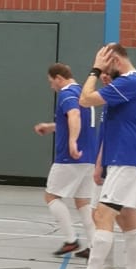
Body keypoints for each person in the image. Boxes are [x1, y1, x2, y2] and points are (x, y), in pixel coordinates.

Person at [58, 41, 136, 269]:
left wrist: (94, 70)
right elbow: (111, 128)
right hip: (127, 159)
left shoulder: (131, 82)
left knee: (102, 215)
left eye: (105, 65)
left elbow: (85, 99)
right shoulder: (125, 87)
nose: (102, 73)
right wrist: (100, 164)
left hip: (128, 159)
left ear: (115, 61)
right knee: (128, 219)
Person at [34, 63, 100, 258]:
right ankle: (95, 245)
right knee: (83, 201)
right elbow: (74, 119)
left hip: (70, 157)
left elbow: (74, 115)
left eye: (51, 82)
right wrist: (52, 127)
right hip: (89, 156)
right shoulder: (83, 93)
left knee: (51, 196)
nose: (51, 86)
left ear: (59, 78)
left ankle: (71, 240)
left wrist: (72, 141)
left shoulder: (67, 93)